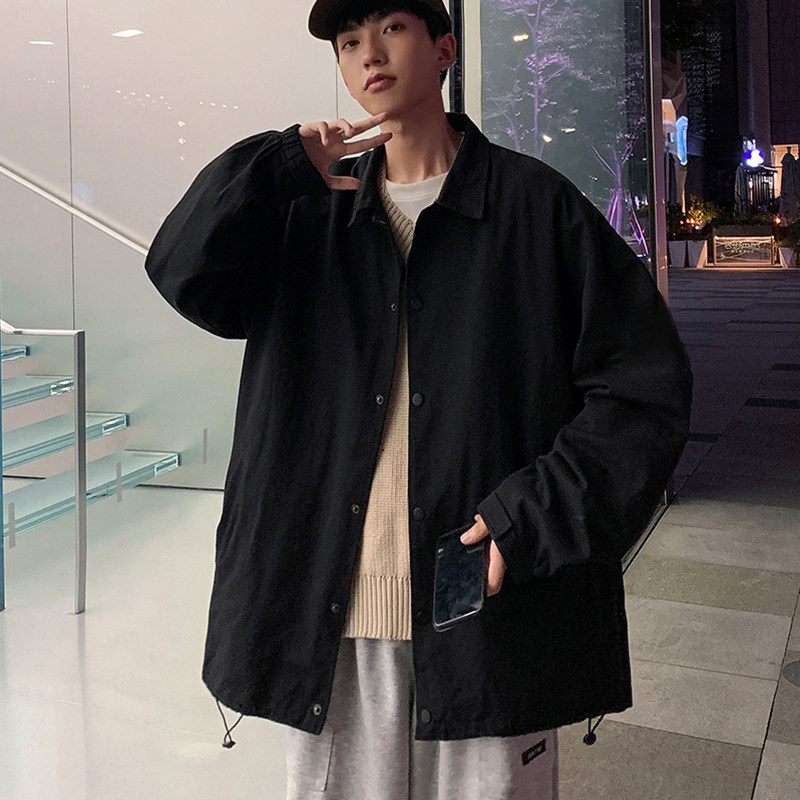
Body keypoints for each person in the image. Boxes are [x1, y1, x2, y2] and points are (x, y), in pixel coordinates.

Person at [145, 1, 692, 797]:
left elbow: (644, 393)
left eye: (390, 29)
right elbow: (181, 271)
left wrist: (530, 518)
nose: (368, 53)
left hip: (489, 611)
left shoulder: (536, 210)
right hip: (333, 613)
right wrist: (276, 167)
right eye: (348, 42)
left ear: (443, 50)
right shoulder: (306, 214)